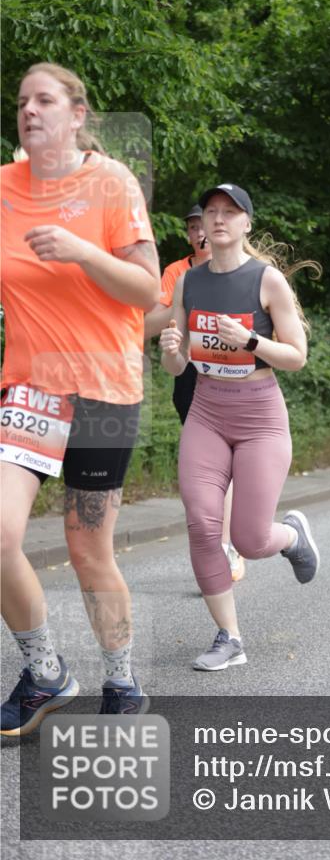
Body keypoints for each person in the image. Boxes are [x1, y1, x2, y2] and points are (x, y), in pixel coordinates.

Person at [1, 62, 160, 735]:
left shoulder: (110, 182)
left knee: (87, 545)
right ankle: (44, 672)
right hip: (31, 387)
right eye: (21, 102)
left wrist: (81, 252)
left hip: (101, 386)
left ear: (77, 115)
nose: (30, 111)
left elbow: (147, 290)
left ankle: (120, 678)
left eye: (45, 100)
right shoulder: (3, 189)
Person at [159, 182, 320, 670]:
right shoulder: (189, 282)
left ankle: (291, 536)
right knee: (203, 525)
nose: (219, 219)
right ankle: (228, 637)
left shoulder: (267, 280)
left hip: (259, 417)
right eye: (211, 212)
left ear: (246, 223)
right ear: (202, 224)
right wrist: (172, 352)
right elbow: (177, 364)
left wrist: (251, 341)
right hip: (207, 411)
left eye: (230, 212)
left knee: (249, 539)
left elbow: (296, 356)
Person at [144, 205, 244, 581]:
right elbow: (157, 320)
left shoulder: (240, 269)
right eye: (192, 228)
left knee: (230, 463)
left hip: (233, 373)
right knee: (211, 464)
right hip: (189, 373)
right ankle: (220, 544)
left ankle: (229, 543)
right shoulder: (176, 272)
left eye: (202, 225)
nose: (199, 233)